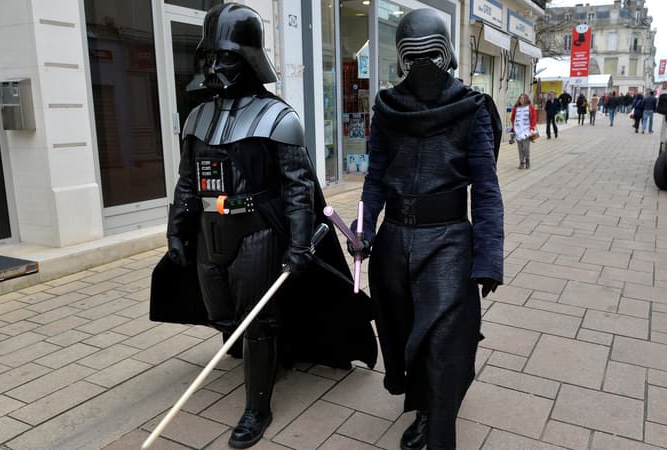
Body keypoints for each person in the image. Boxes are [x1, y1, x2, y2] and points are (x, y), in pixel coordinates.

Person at [152, 4, 377, 448]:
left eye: (227, 57)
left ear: (250, 59)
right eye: (210, 57)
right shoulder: (197, 118)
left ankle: (257, 407)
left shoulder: (278, 118)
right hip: (210, 232)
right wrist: (176, 229)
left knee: (257, 322)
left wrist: (297, 244)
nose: (215, 67)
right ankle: (270, 356)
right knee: (222, 314)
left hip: (257, 230)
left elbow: (298, 190)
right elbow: (185, 182)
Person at [349, 8, 504, 449]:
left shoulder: (472, 108)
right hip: (395, 242)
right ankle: (422, 409)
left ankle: (439, 429)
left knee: (443, 347)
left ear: (448, 54)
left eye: (431, 55)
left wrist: (488, 257)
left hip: (449, 242)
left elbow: (486, 190)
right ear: (400, 59)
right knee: (402, 336)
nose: (422, 66)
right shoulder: (387, 107)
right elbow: (375, 177)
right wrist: (364, 230)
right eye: (412, 56)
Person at [510, 93, 537, 169]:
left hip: (526, 131)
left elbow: (534, 118)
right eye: (520, 98)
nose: (521, 100)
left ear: (526, 99)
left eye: (523, 98)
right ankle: (521, 162)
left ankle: (527, 161)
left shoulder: (530, 107)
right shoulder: (516, 108)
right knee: (520, 148)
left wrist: (532, 128)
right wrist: (513, 129)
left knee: (525, 148)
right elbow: (513, 119)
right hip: (518, 131)